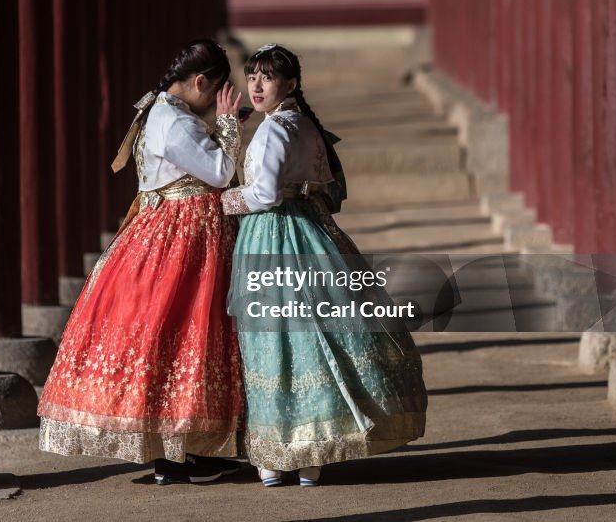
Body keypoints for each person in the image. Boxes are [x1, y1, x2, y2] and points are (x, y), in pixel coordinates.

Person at [38, 38, 246, 485]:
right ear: (201, 82)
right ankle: (183, 450)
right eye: (214, 94)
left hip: (165, 233)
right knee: (188, 334)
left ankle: (178, 452)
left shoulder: (162, 112)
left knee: (167, 337)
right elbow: (220, 173)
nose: (214, 104)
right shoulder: (175, 123)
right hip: (184, 237)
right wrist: (227, 127)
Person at [221, 43, 428, 487]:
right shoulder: (306, 124)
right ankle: (313, 455)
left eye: (267, 77)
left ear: (290, 83)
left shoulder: (276, 128)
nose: (256, 85)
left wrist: (223, 201)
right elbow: (323, 185)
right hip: (310, 229)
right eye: (252, 76)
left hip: (273, 234)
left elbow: (264, 195)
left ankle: (279, 453)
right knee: (314, 336)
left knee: (276, 340)